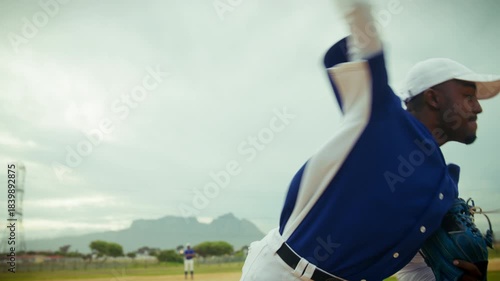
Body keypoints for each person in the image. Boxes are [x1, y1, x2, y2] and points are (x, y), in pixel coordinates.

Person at [239, 1, 500, 281]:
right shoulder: (380, 117)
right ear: (434, 97)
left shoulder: (443, 186)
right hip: (282, 272)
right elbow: (363, 31)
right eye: (468, 96)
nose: (478, 107)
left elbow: (413, 267)